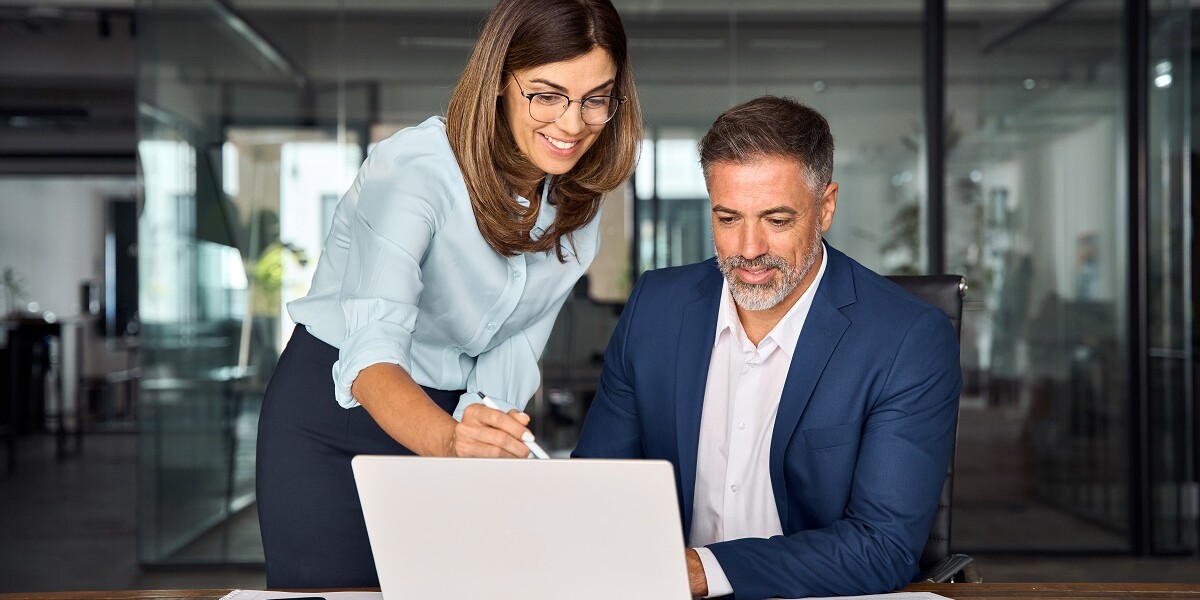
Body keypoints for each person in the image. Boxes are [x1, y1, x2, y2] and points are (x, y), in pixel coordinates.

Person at [256, 0, 642, 587]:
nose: (571, 124)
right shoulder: (415, 171)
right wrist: (450, 443)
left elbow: (514, 345)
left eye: (595, 98)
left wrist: (481, 437)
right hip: (338, 414)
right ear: (499, 84)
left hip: (457, 418)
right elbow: (371, 353)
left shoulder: (579, 201)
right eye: (546, 94)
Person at [573, 96, 961, 600]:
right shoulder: (655, 308)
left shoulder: (907, 339)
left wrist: (701, 570)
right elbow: (598, 489)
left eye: (777, 221)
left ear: (825, 207)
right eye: (728, 218)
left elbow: (880, 546)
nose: (749, 249)